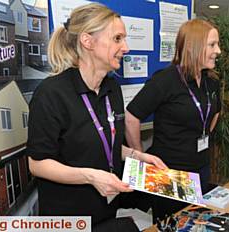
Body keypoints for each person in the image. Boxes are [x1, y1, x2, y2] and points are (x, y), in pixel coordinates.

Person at [25, 3, 166, 230]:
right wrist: (90, 177)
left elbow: (104, 143)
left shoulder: (112, 88)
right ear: (87, 41)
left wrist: (137, 155)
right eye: (117, 38)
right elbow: (38, 163)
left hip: (105, 211)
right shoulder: (51, 94)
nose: (126, 47)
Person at [125, 19, 222, 220]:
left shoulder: (211, 81)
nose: (218, 51)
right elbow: (131, 116)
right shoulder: (165, 80)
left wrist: (202, 135)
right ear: (194, 46)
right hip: (169, 171)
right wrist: (139, 156)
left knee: (197, 222)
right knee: (171, 223)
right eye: (212, 45)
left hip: (201, 166)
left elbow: (215, 113)